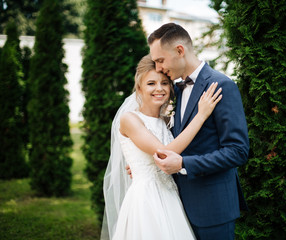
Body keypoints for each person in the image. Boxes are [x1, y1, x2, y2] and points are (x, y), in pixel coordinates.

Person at [101, 54, 222, 240]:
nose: (159, 88)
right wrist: (201, 115)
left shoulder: (167, 122)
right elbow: (165, 154)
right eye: (151, 83)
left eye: (165, 83)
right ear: (139, 88)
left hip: (172, 197)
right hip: (147, 201)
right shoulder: (130, 119)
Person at [149, 23, 250, 240]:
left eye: (160, 60)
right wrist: (148, 162)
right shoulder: (173, 90)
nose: (158, 68)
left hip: (213, 208)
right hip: (175, 206)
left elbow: (238, 151)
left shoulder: (222, 85)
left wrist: (184, 164)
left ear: (179, 50)